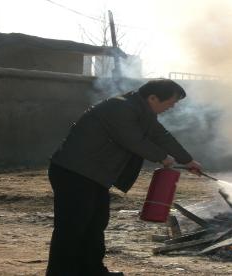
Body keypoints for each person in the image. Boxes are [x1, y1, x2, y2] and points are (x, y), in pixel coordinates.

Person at [46, 78, 202, 276]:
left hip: (95, 175)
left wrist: (187, 160)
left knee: (95, 225)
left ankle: (92, 271)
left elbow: (162, 136)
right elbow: (132, 140)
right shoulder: (120, 107)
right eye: (171, 102)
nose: (171, 107)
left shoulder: (144, 113)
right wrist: (162, 157)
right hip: (74, 173)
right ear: (152, 97)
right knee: (72, 228)